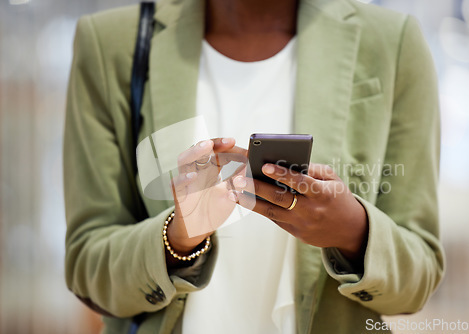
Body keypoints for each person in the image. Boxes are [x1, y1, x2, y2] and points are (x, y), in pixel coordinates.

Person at [63, 0, 445, 333]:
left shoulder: (392, 42)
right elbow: (86, 266)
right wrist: (177, 238)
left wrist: (352, 231)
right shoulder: (111, 43)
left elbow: (420, 277)